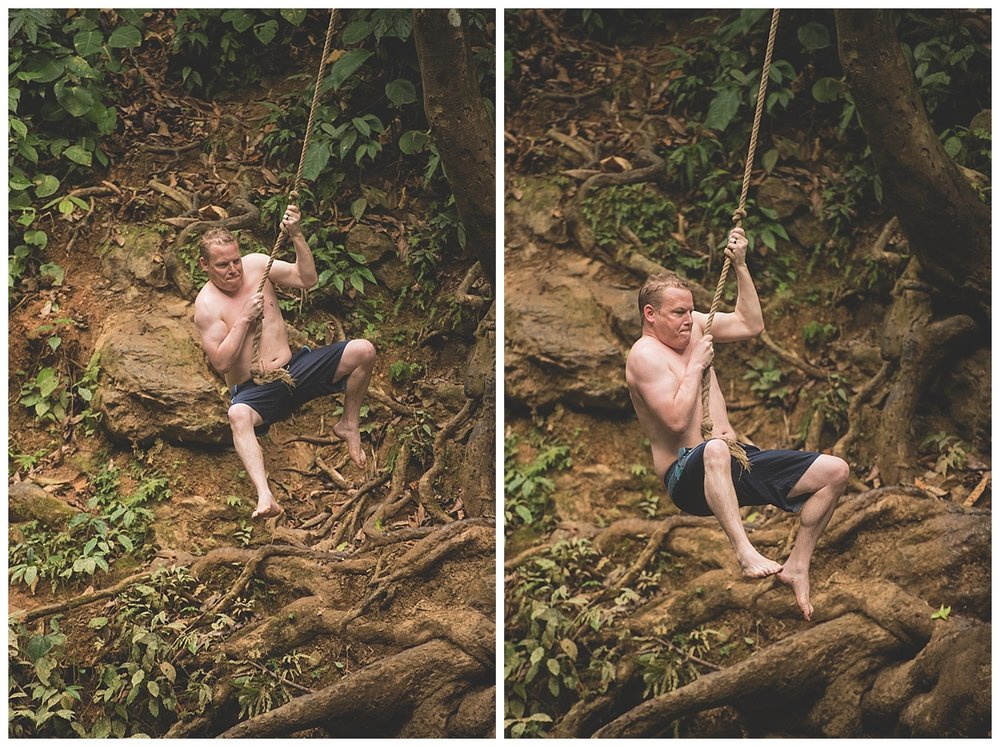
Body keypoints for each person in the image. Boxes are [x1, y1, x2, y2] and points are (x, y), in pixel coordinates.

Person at [624, 227, 849, 620]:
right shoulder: (644, 356)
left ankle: (797, 565)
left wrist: (742, 266)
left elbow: (750, 324)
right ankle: (745, 552)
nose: (687, 320)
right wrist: (696, 364)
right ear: (650, 314)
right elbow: (677, 421)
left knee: (834, 472)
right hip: (687, 476)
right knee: (712, 449)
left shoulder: (693, 326)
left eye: (689, 311)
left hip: (734, 461)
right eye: (678, 313)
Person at [194, 204, 376, 520]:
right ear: (204, 266)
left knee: (364, 350)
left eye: (236, 260)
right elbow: (222, 363)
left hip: (295, 370)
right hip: (255, 390)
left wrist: (296, 235)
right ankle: (265, 497)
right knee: (237, 415)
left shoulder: (257, 266)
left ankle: (348, 424)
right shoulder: (207, 305)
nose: (234, 270)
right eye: (223, 265)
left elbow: (307, 278)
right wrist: (244, 321)